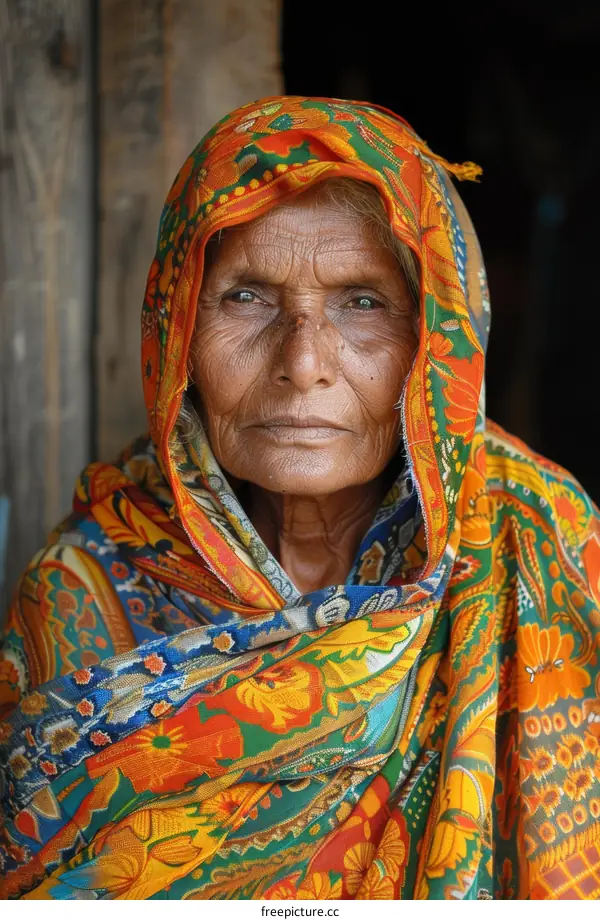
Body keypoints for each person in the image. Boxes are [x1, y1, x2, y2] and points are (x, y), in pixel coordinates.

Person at [1, 95, 599, 901]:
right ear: (175, 324)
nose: (304, 360)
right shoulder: (85, 584)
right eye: (246, 296)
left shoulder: (547, 550)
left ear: (437, 340)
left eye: (362, 301)